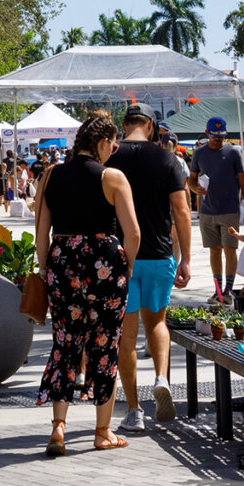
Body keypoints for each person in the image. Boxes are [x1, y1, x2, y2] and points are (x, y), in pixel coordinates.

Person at [32, 113, 138, 455]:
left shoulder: (51, 174)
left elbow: (41, 233)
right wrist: (128, 265)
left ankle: (59, 428)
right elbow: (133, 233)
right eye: (114, 144)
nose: (114, 150)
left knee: (65, 343)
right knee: (104, 345)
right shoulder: (113, 177)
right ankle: (102, 431)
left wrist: (47, 269)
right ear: (103, 143)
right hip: (104, 262)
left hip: (62, 262)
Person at [109, 107, 191, 434]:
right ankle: (161, 377)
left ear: (123, 126)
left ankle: (133, 410)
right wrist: (184, 258)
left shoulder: (111, 159)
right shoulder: (167, 159)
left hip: (122, 257)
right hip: (159, 254)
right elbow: (182, 212)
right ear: (151, 126)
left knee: (126, 337)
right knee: (157, 322)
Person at [190, 117, 244, 302]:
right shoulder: (199, 153)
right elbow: (191, 179)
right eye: (214, 136)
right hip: (207, 211)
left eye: (221, 136)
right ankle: (217, 290)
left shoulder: (233, 152)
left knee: (229, 249)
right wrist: (194, 188)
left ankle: (228, 290)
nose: (218, 139)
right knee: (214, 250)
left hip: (230, 209)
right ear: (207, 134)